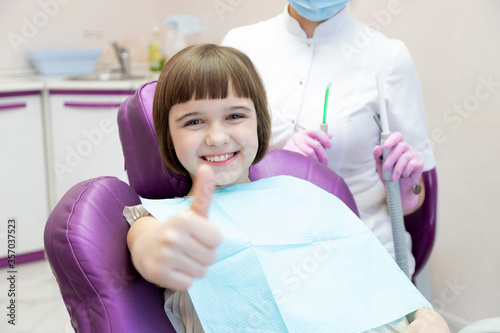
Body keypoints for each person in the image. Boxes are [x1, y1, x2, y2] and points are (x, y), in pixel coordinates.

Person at [124, 43, 448, 332]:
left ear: (259, 124)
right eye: (194, 121)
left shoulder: (303, 192)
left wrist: (425, 315)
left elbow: (373, 274)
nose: (217, 137)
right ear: (168, 136)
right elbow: (150, 252)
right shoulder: (155, 217)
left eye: (235, 115)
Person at [221, 0, 436, 276]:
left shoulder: (388, 56)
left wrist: (407, 190)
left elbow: (417, 194)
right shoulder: (241, 45)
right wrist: (273, 164)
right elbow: (214, 157)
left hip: (362, 245)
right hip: (262, 240)